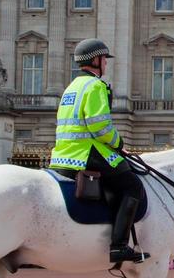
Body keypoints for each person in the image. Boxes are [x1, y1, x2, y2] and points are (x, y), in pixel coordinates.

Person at [49, 38, 146, 266]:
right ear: (96, 60)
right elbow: (99, 126)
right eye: (104, 59)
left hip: (63, 153)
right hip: (85, 153)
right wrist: (119, 143)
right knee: (132, 186)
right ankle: (119, 245)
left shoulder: (71, 88)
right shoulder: (95, 86)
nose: (106, 64)